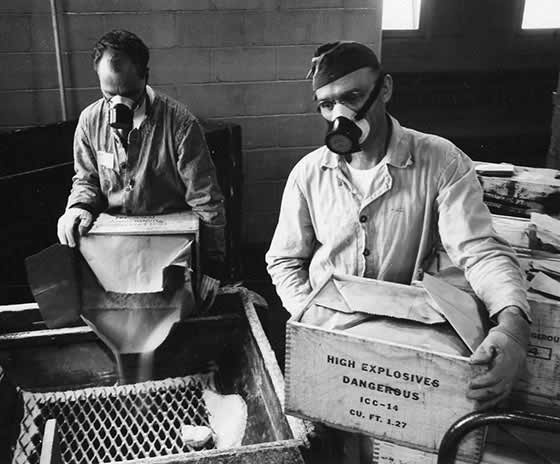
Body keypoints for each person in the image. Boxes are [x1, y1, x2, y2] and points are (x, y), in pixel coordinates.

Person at [266, 41, 530, 460]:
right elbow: (284, 259)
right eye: (326, 105)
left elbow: (479, 249)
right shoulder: (308, 174)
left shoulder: (440, 161)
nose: (341, 117)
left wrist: (512, 323)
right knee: (335, 450)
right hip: (333, 347)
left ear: (384, 88)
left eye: (353, 98)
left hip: (408, 350)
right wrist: (311, 318)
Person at [57, 30, 226, 276]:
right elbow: (86, 180)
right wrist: (78, 207)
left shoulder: (180, 125)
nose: (117, 104)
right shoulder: (89, 121)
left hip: (170, 249)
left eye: (127, 94)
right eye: (108, 94)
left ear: (145, 77)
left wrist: (212, 266)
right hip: (114, 248)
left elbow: (205, 200)